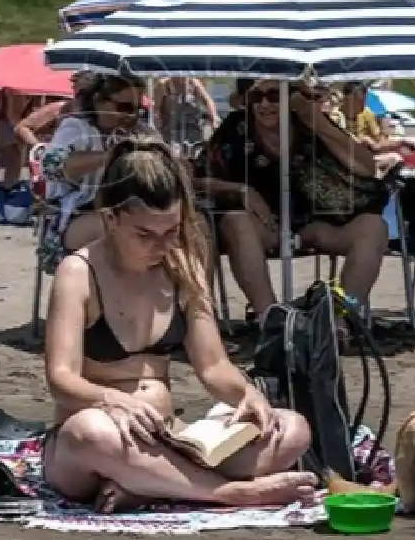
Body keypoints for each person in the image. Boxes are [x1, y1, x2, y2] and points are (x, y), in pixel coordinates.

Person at [42, 137, 315, 512]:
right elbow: (60, 379)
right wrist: (113, 400)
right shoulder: (78, 273)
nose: (161, 246)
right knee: (91, 433)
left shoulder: (181, 268)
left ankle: (152, 486)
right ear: (111, 219)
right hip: (98, 439)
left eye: (171, 232)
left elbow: (213, 366)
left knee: (291, 428)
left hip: (167, 435)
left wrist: (246, 394)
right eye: (145, 235)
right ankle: (225, 493)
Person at [202, 79, 389, 319]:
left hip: (315, 223)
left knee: (373, 227)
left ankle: (340, 318)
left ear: (291, 96)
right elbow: (196, 176)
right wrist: (242, 190)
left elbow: (366, 168)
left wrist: (317, 121)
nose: (264, 104)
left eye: (274, 95)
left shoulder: (309, 123)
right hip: (263, 225)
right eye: (256, 97)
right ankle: (270, 318)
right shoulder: (236, 127)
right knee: (236, 222)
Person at [38, 73, 145, 268]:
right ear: (98, 101)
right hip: (68, 219)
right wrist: (109, 156)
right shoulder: (76, 128)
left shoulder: (126, 133)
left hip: (116, 214)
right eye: (125, 108)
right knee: (124, 233)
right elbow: (50, 166)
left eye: (138, 110)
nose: (132, 116)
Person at [338, 82, 412, 175]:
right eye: (359, 101)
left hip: (364, 157)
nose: (363, 105)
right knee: (395, 158)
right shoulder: (336, 115)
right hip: (344, 156)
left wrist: (400, 142)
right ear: (348, 99)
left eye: (364, 100)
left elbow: (378, 143)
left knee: (396, 158)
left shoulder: (366, 113)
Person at [155, 77, 219, 154]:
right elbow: (156, 109)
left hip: (193, 133)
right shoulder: (163, 85)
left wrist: (214, 118)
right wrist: (157, 127)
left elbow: (209, 102)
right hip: (171, 133)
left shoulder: (194, 83)